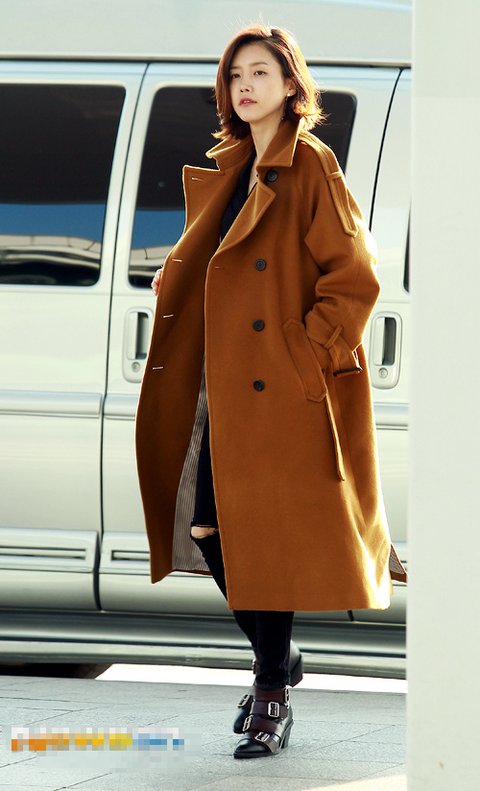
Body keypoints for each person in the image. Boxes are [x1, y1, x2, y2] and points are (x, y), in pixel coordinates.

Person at [135, 24, 407, 760]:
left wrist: (305, 354)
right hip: (224, 384)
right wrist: (177, 279)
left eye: (260, 72)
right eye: (235, 76)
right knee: (209, 530)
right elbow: (227, 265)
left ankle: (270, 696)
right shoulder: (231, 167)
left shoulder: (310, 163)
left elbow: (354, 276)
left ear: (291, 85)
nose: (245, 86)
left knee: (264, 534)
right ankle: (279, 660)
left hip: (280, 387)